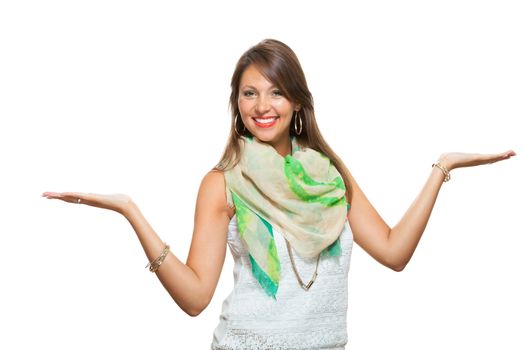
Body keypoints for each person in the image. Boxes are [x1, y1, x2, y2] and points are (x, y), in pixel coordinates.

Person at [42, 39, 515, 349]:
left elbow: (393, 251)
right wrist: (132, 212)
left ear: (297, 102)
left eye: (275, 93)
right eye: (249, 94)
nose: (263, 106)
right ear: (236, 104)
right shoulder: (223, 181)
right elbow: (194, 298)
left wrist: (441, 169)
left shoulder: (328, 175)